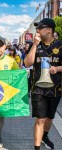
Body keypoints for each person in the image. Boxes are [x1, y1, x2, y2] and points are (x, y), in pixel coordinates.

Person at [24, 18, 62, 150]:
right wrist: (34, 45)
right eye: (37, 28)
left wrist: (57, 69)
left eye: (40, 28)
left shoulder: (60, 45)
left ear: (49, 30)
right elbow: (27, 63)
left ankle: (45, 136)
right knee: (40, 119)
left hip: (56, 89)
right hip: (38, 89)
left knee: (49, 118)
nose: (37, 30)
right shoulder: (35, 45)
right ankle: (37, 147)